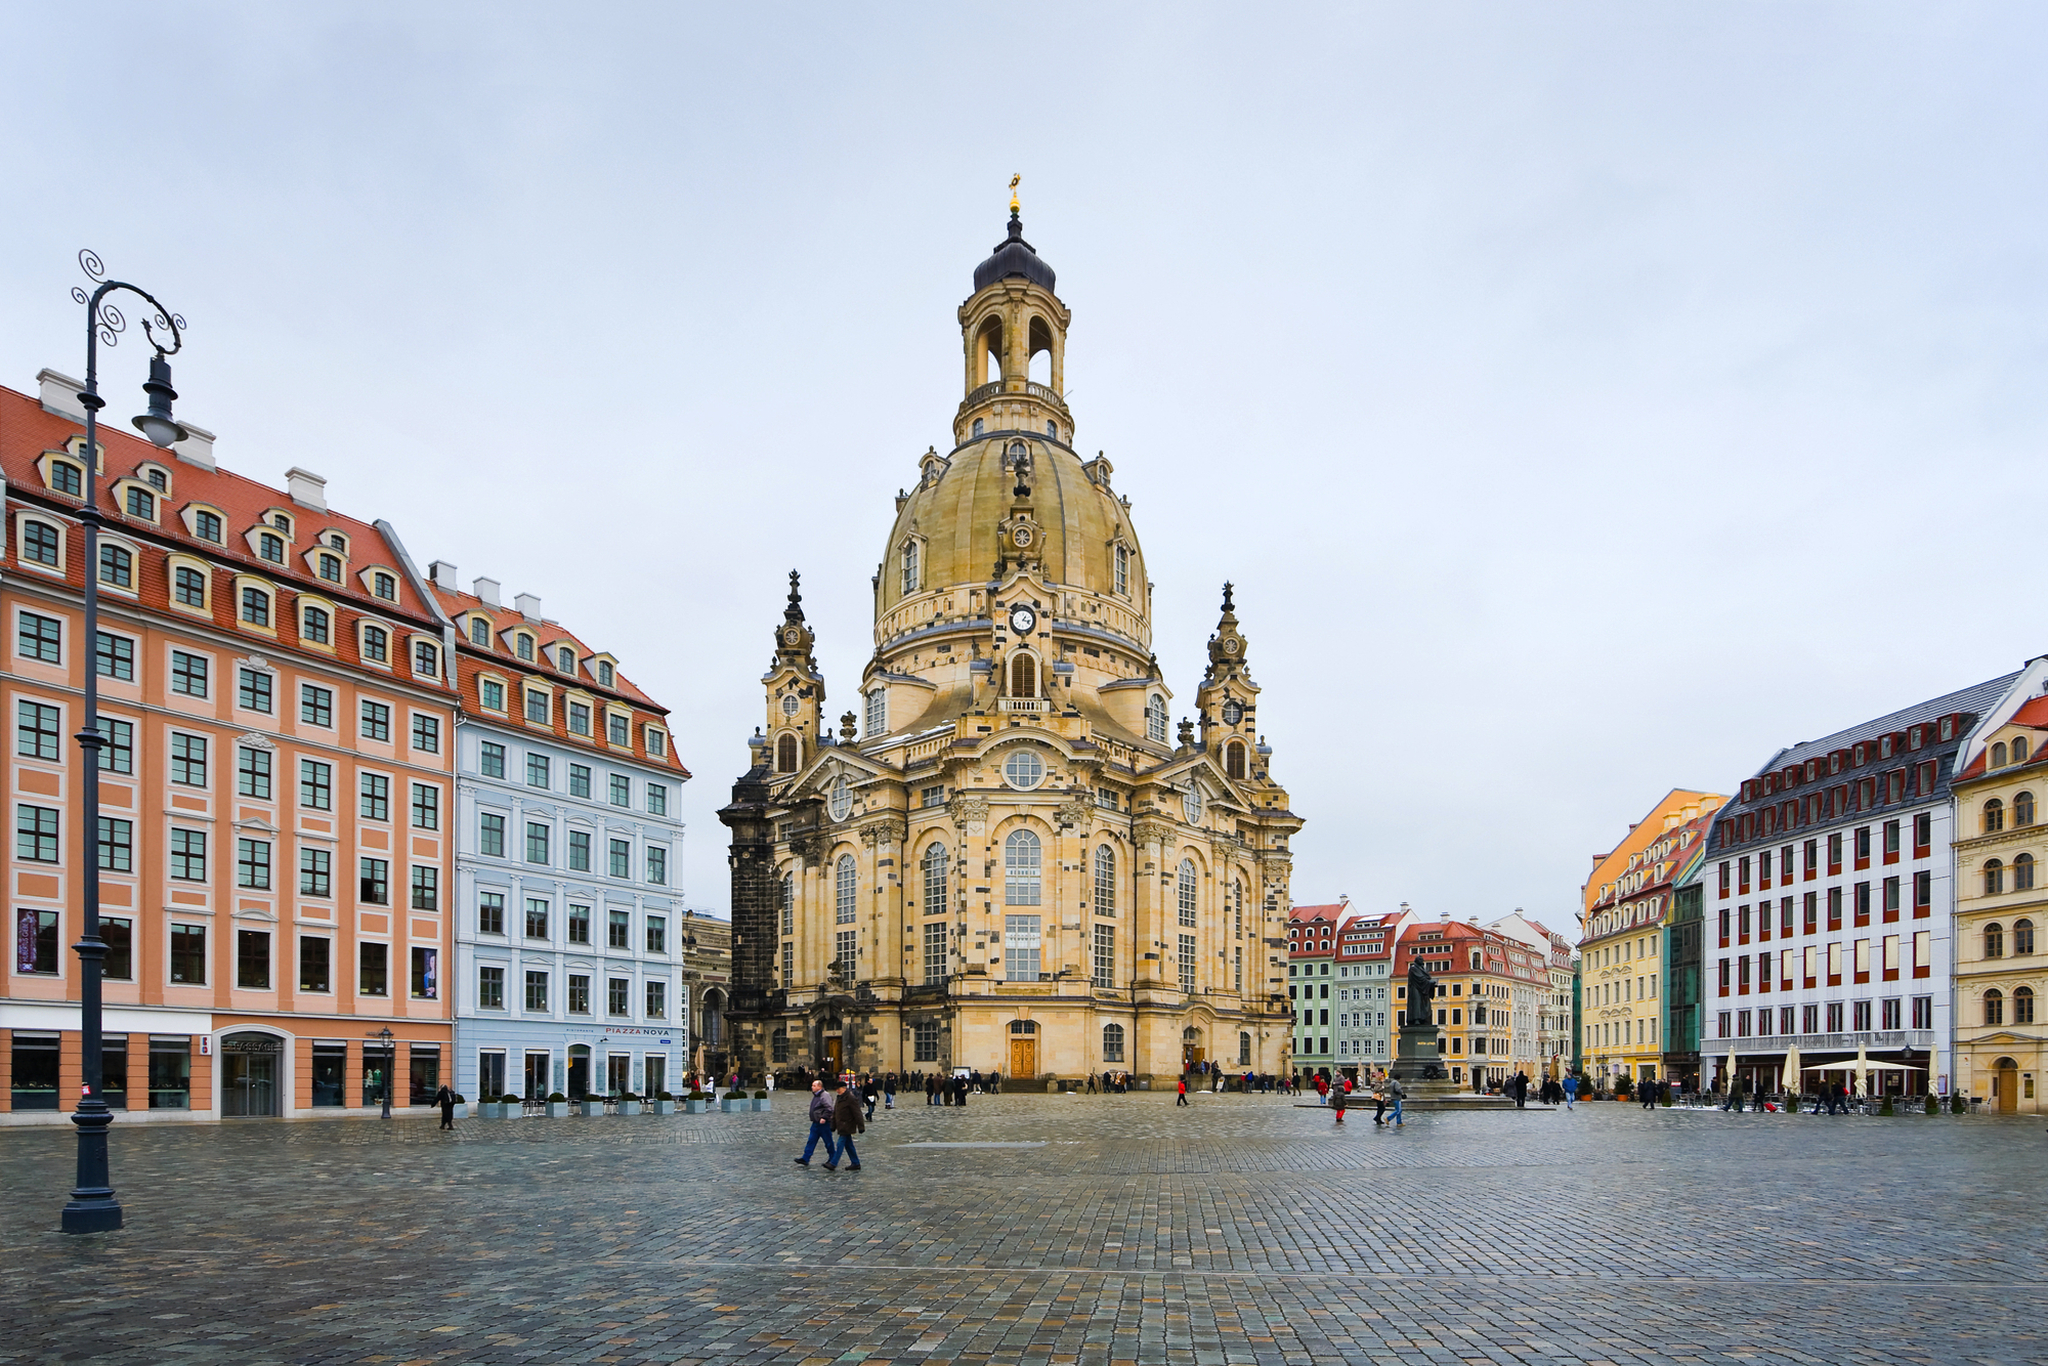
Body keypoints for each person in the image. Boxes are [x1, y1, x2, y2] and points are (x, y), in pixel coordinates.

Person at [825, 1077, 865, 1172]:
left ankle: (833, 1163)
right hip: (841, 1125)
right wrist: (833, 1125)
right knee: (849, 1146)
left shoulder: (850, 1098)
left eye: (838, 1088)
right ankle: (855, 1163)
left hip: (847, 1125)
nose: (837, 1090)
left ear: (844, 1088)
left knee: (840, 1144)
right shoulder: (839, 1098)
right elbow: (836, 1112)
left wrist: (861, 1126)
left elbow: (857, 1113)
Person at [794, 1080, 835, 1167]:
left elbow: (829, 1108)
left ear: (819, 1087)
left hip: (823, 1123)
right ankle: (805, 1158)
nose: (812, 1087)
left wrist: (824, 1117)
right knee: (811, 1140)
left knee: (828, 1142)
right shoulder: (816, 1095)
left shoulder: (824, 1095)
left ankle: (833, 1158)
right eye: (812, 1085)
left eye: (814, 1085)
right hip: (816, 1122)